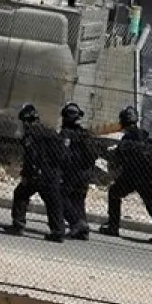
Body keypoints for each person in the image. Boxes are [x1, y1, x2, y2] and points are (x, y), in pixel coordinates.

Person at [98, 106, 152, 245]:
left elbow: (117, 159)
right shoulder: (146, 137)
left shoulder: (127, 140)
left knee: (114, 193)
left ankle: (113, 227)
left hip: (130, 177)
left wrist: (104, 153)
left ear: (123, 122)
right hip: (147, 178)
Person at [4, 104, 67, 243]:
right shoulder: (51, 132)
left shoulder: (30, 135)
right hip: (52, 174)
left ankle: (18, 225)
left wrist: (27, 174)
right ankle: (58, 231)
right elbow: (62, 155)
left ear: (26, 121)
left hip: (37, 174)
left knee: (20, 194)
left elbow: (31, 156)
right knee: (53, 202)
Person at [56, 102, 97, 240]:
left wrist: (62, 169)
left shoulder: (66, 133)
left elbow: (63, 154)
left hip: (73, 172)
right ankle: (83, 228)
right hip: (86, 173)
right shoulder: (85, 134)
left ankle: (76, 223)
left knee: (61, 196)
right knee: (78, 200)